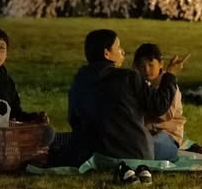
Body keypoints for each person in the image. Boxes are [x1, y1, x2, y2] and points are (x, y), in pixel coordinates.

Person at [61, 29, 184, 165]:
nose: (122, 51)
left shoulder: (80, 79)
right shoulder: (128, 78)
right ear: (107, 53)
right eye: (118, 47)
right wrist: (171, 76)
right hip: (133, 152)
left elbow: (73, 119)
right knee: (164, 149)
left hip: (92, 152)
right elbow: (159, 105)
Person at [132, 44, 186, 162]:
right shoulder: (139, 84)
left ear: (161, 64)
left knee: (153, 148)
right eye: (142, 66)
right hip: (145, 133)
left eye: (151, 65)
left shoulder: (168, 85)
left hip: (167, 134)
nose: (146, 70)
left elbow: (165, 113)